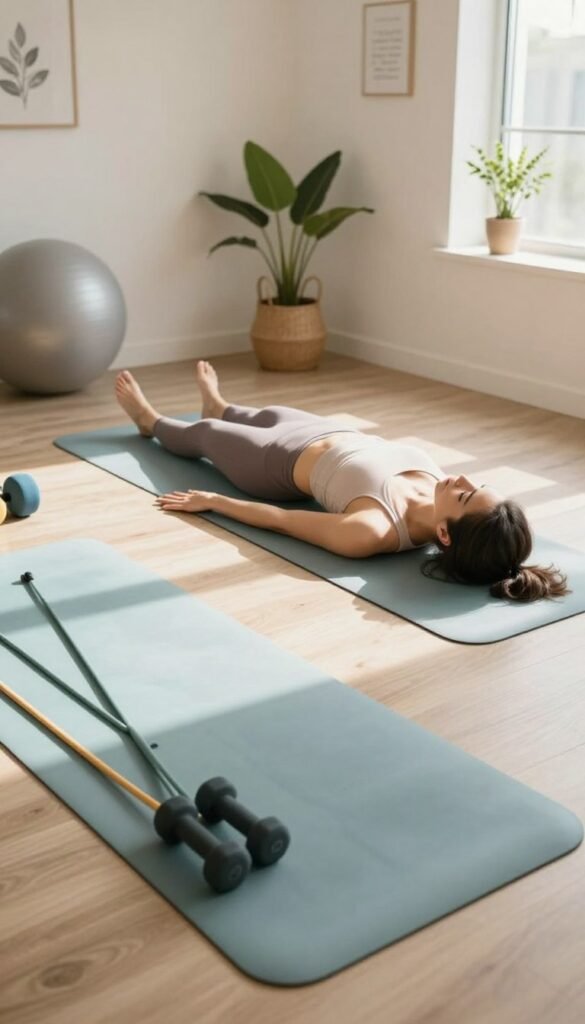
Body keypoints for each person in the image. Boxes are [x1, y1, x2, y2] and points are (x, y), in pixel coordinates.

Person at [115, 361, 569, 603]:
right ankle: (220, 403)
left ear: (446, 532)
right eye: (476, 481)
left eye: (466, 493)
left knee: (205, 435)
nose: (462, 477)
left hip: (274, 464)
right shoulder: (440, 487)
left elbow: (282, 520)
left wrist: (214, 500)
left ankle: (149, 421)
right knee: (264, 412)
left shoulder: (373, 530)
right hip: (324, 430)